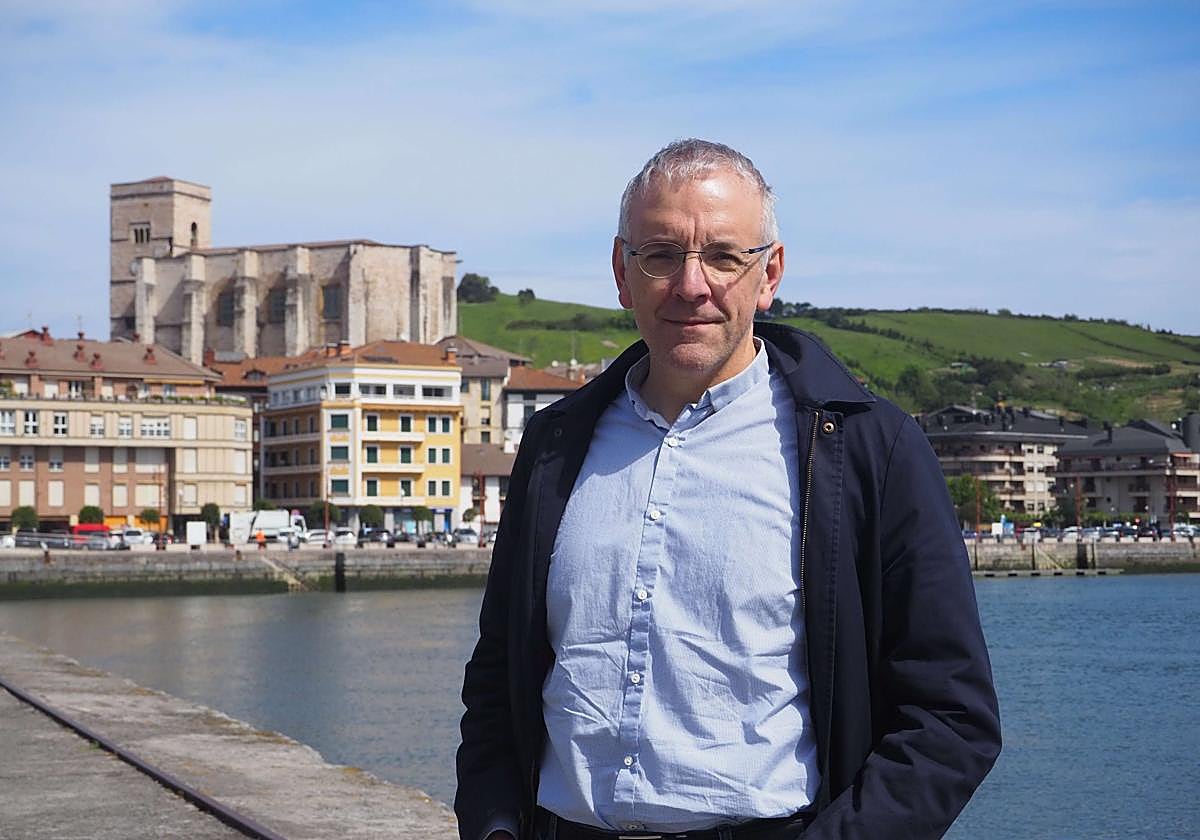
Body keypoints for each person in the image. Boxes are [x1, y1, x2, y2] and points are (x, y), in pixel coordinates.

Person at [456, 139, 1001, 840]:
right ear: (623, 275)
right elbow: (499, 669)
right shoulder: (556, 446)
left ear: (769, 273)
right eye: (660, 255)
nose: (691, 285)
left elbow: (952, 718)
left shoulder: (870, 448)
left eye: (721, 255)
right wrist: (497, 825)